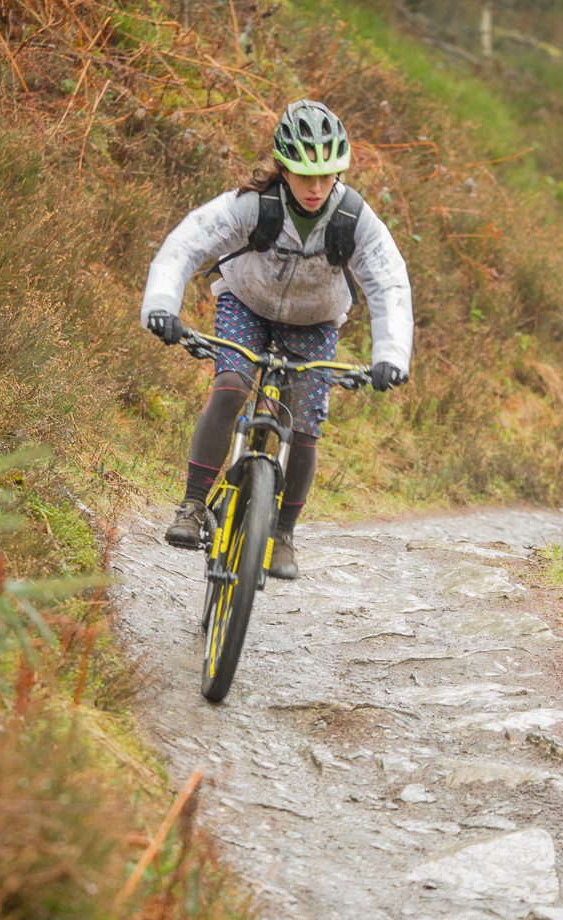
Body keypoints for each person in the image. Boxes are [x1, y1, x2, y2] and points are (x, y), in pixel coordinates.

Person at [141, 99, 414, 580]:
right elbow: (187, 244)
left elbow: (388, 284)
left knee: (304, 427)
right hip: (245, 303)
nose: (315, 187)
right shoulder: (256, 205)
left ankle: (283, 532)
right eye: (304, 175)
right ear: (283, 169)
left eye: (327, 175)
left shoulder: (354, 220)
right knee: (230, 384)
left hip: (314, 323)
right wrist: (163, 306)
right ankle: (191, 505)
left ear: (339, 173)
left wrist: (390, 355)